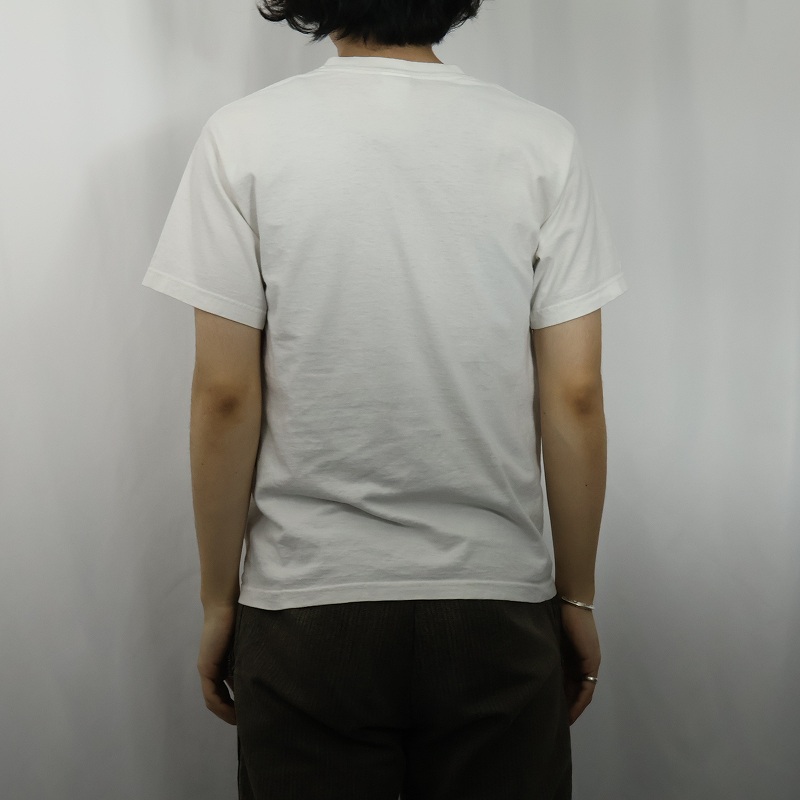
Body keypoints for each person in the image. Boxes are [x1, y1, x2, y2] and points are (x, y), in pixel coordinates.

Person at [142, 2, 628, 798]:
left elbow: (226, 395)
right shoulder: (542, 141)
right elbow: (574, 393)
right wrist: (575, 596)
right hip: (493, 603)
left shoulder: (243, 137)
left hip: (306, 609)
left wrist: (219, 599)